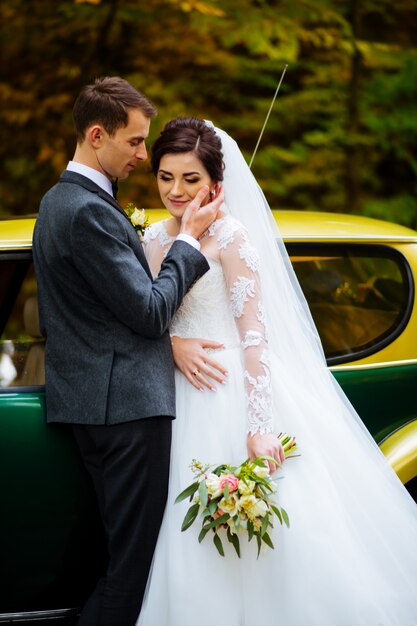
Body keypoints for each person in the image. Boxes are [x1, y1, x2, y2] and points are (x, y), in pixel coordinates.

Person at [136, 117, 417, 625]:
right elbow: (144, 316)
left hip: (230, 395)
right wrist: (171, 342)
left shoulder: (232, 237)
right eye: (165, 177)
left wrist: (260, 424)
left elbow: (254, 335)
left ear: (215, 183)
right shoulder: (151, 238)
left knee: (255, 531)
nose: (175, 191)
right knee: (182, 527)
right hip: (173, 397)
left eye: (190, 179)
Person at [32, 79, 224, 626]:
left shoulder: (60, 201)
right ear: (97, 136)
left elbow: (97, 313)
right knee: (130, 576)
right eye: (135, 142)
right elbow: (147, 311)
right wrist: (188, 242)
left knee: (117, 565)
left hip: (97, 402)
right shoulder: (89, 211)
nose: (144, 154)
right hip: (127, 411)